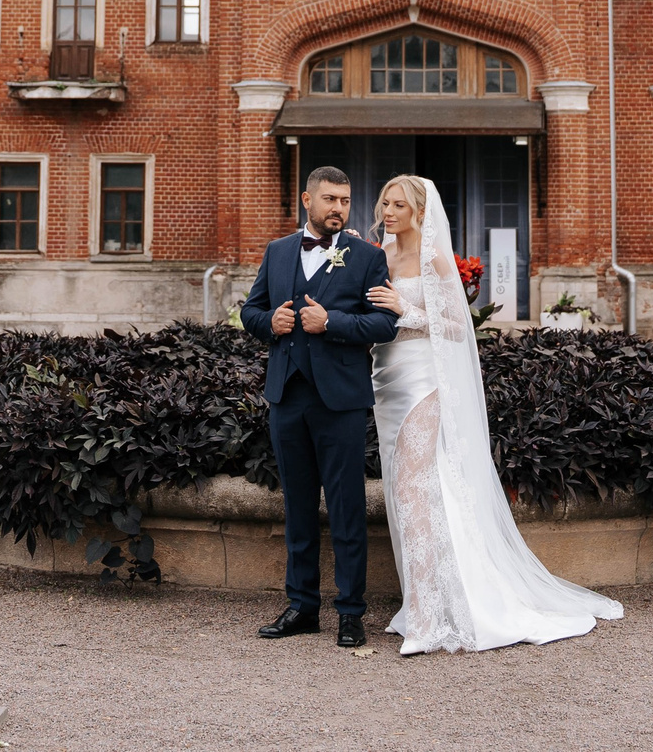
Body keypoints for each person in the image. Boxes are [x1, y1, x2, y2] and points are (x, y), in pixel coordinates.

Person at [366, 172, 624, 655]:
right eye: (385, 203)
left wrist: (405, 309)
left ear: (419, 210)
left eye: (398, 204)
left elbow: (456, 328)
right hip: (387, 380)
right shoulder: (380, 255)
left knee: (412, 490)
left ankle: (427, 618)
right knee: (407, 491)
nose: (389, 212)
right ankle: (422, 602)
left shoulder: (433, 257)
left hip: (424, 381)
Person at [238, 165, 399, 648]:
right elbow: (250, 310)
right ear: (307, 200)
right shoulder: (278, 250)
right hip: (287, 396)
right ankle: (302, 606)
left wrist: (331, 322)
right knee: (299, 506)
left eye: (345, 201)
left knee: (347, 508)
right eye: (330, 199)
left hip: (340, 400)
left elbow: (384, 325)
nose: (338, 209)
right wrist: (270, 322)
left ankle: (351, 612)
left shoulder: (367, 256)